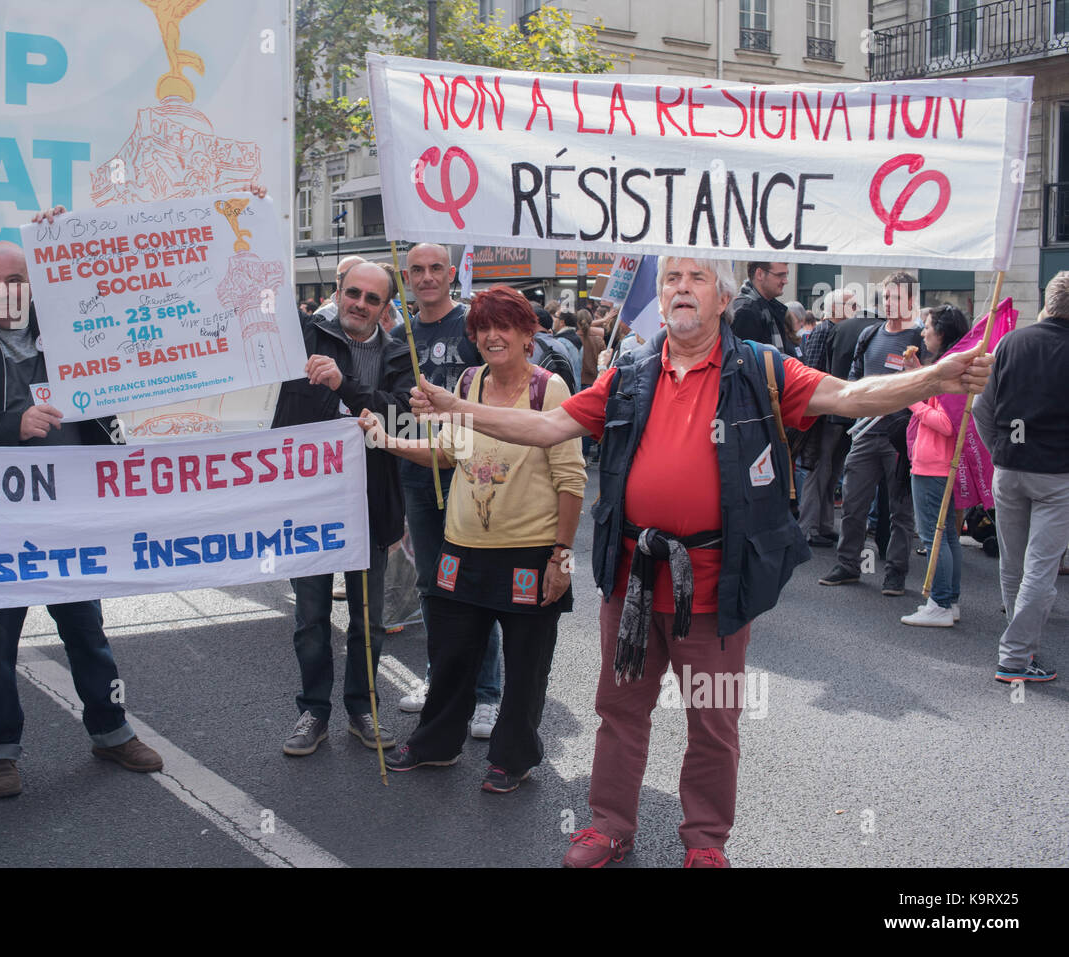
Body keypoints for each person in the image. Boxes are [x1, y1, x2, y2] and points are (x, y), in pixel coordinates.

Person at [408, 256, 992, 867]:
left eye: (696, 279)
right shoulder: (629, 372)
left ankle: (706, 842)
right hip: (632, 579)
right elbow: (549, 425)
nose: (680, 288)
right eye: (672, 280)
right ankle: (608, 827)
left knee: (712, 721)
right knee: (619, 711)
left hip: (717, 583)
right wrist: (459, 408)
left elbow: (848, 395)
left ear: (722, 299)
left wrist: (937, 379)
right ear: (661, 299)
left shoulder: (760, 367)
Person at [0, 220, 163, 799]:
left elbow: (134, 294)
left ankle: (111, 730)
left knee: (86, 628)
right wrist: (12, 425)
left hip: (68, 513)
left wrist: (70, 232)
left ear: (34, 284)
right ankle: (0, 752)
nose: (1, 290)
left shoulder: (69, 328)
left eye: (15, 279)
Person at [362, 285, 585, 793]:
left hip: (530, 553)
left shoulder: (549, 390)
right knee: (451, 654)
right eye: (482, 328)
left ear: (529, 333)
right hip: (461, 548)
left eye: (503, 326)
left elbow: (572, 480)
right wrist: (387, 440)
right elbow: (447, 454)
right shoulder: (466, 381)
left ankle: (513, 757)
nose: (491, 336)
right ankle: (434, 745)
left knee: (526, 666)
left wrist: (562, 559)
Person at [274, 261, 415, 755]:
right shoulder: (302, 335)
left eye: (372, 298)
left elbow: (402, 419)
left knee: (369, 619)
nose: (359, 303)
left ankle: (362, 708)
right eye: (352, 292)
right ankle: (312, 711)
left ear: (384, 307)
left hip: (371, 505)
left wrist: (344, 386)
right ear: (337, 291)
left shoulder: (399, 354)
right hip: (308, 506)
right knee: (310, 617)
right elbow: (247, 301)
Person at [395, 243, 502, 739]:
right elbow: (388, 401)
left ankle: (486, 694)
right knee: (432, 587)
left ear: (452, 273)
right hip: (421, 476)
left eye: (436, 268)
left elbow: (501, 389)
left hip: (472, 477)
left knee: (476, 586)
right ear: (407, 277)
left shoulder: (472, 327)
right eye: (417, 269)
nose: (427, 276)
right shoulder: (400, 335)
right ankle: (441, 679)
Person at [973, 271, 1069, 682]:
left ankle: (1022, 650)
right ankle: (1015, 656)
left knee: (1014, 566)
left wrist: (997, 448)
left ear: (1047, 302)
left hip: (1009, 467)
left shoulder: (1010, 342)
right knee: (1039, 571)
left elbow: (980, 407)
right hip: (1056, 476)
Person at [819, 271, 926, 596]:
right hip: (865, 434)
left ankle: (895, 573)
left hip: (899, 438)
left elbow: (930, 389)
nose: (889, 304)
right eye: (886, 297)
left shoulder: (920, 340)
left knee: (900, 511)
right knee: (853, 503)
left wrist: (918, 372)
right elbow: (854, 378)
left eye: (896, 298)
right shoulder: (870, 334)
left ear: (910, 300)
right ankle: (848, 565)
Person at [901, 305, 971, 627]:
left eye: (927, 327)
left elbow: (945, 423)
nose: (923, 332)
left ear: (941, 333)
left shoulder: (947, 368)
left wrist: (911, 400)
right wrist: (917, 373)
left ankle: (940, 604)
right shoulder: (950, 365)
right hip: (941, 464)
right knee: (947, 537)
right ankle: (949, 601)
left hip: (933, 465)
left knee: (934, 537)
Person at [798, 288, 858, 547]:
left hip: (836, 413)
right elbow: (811, 372)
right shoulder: (824, 330)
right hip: (824, 415)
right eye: (850, 305)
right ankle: (807, 528)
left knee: (830, 470)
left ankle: (822, 525)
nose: (855, 310)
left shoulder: (837, 330)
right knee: (820, 469)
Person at [731, 262, 797, 358]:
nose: (785, 281)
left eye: (786, 275)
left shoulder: (769, 308)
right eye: (780, 275)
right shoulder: (746, 312)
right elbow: (742, 363)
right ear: (760, 274)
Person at [313, 256, 367, 322]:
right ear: (336, 279)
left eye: (354, 274)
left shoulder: (378, 313)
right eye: (342, 276)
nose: (348, 279)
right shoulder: (321, 316)